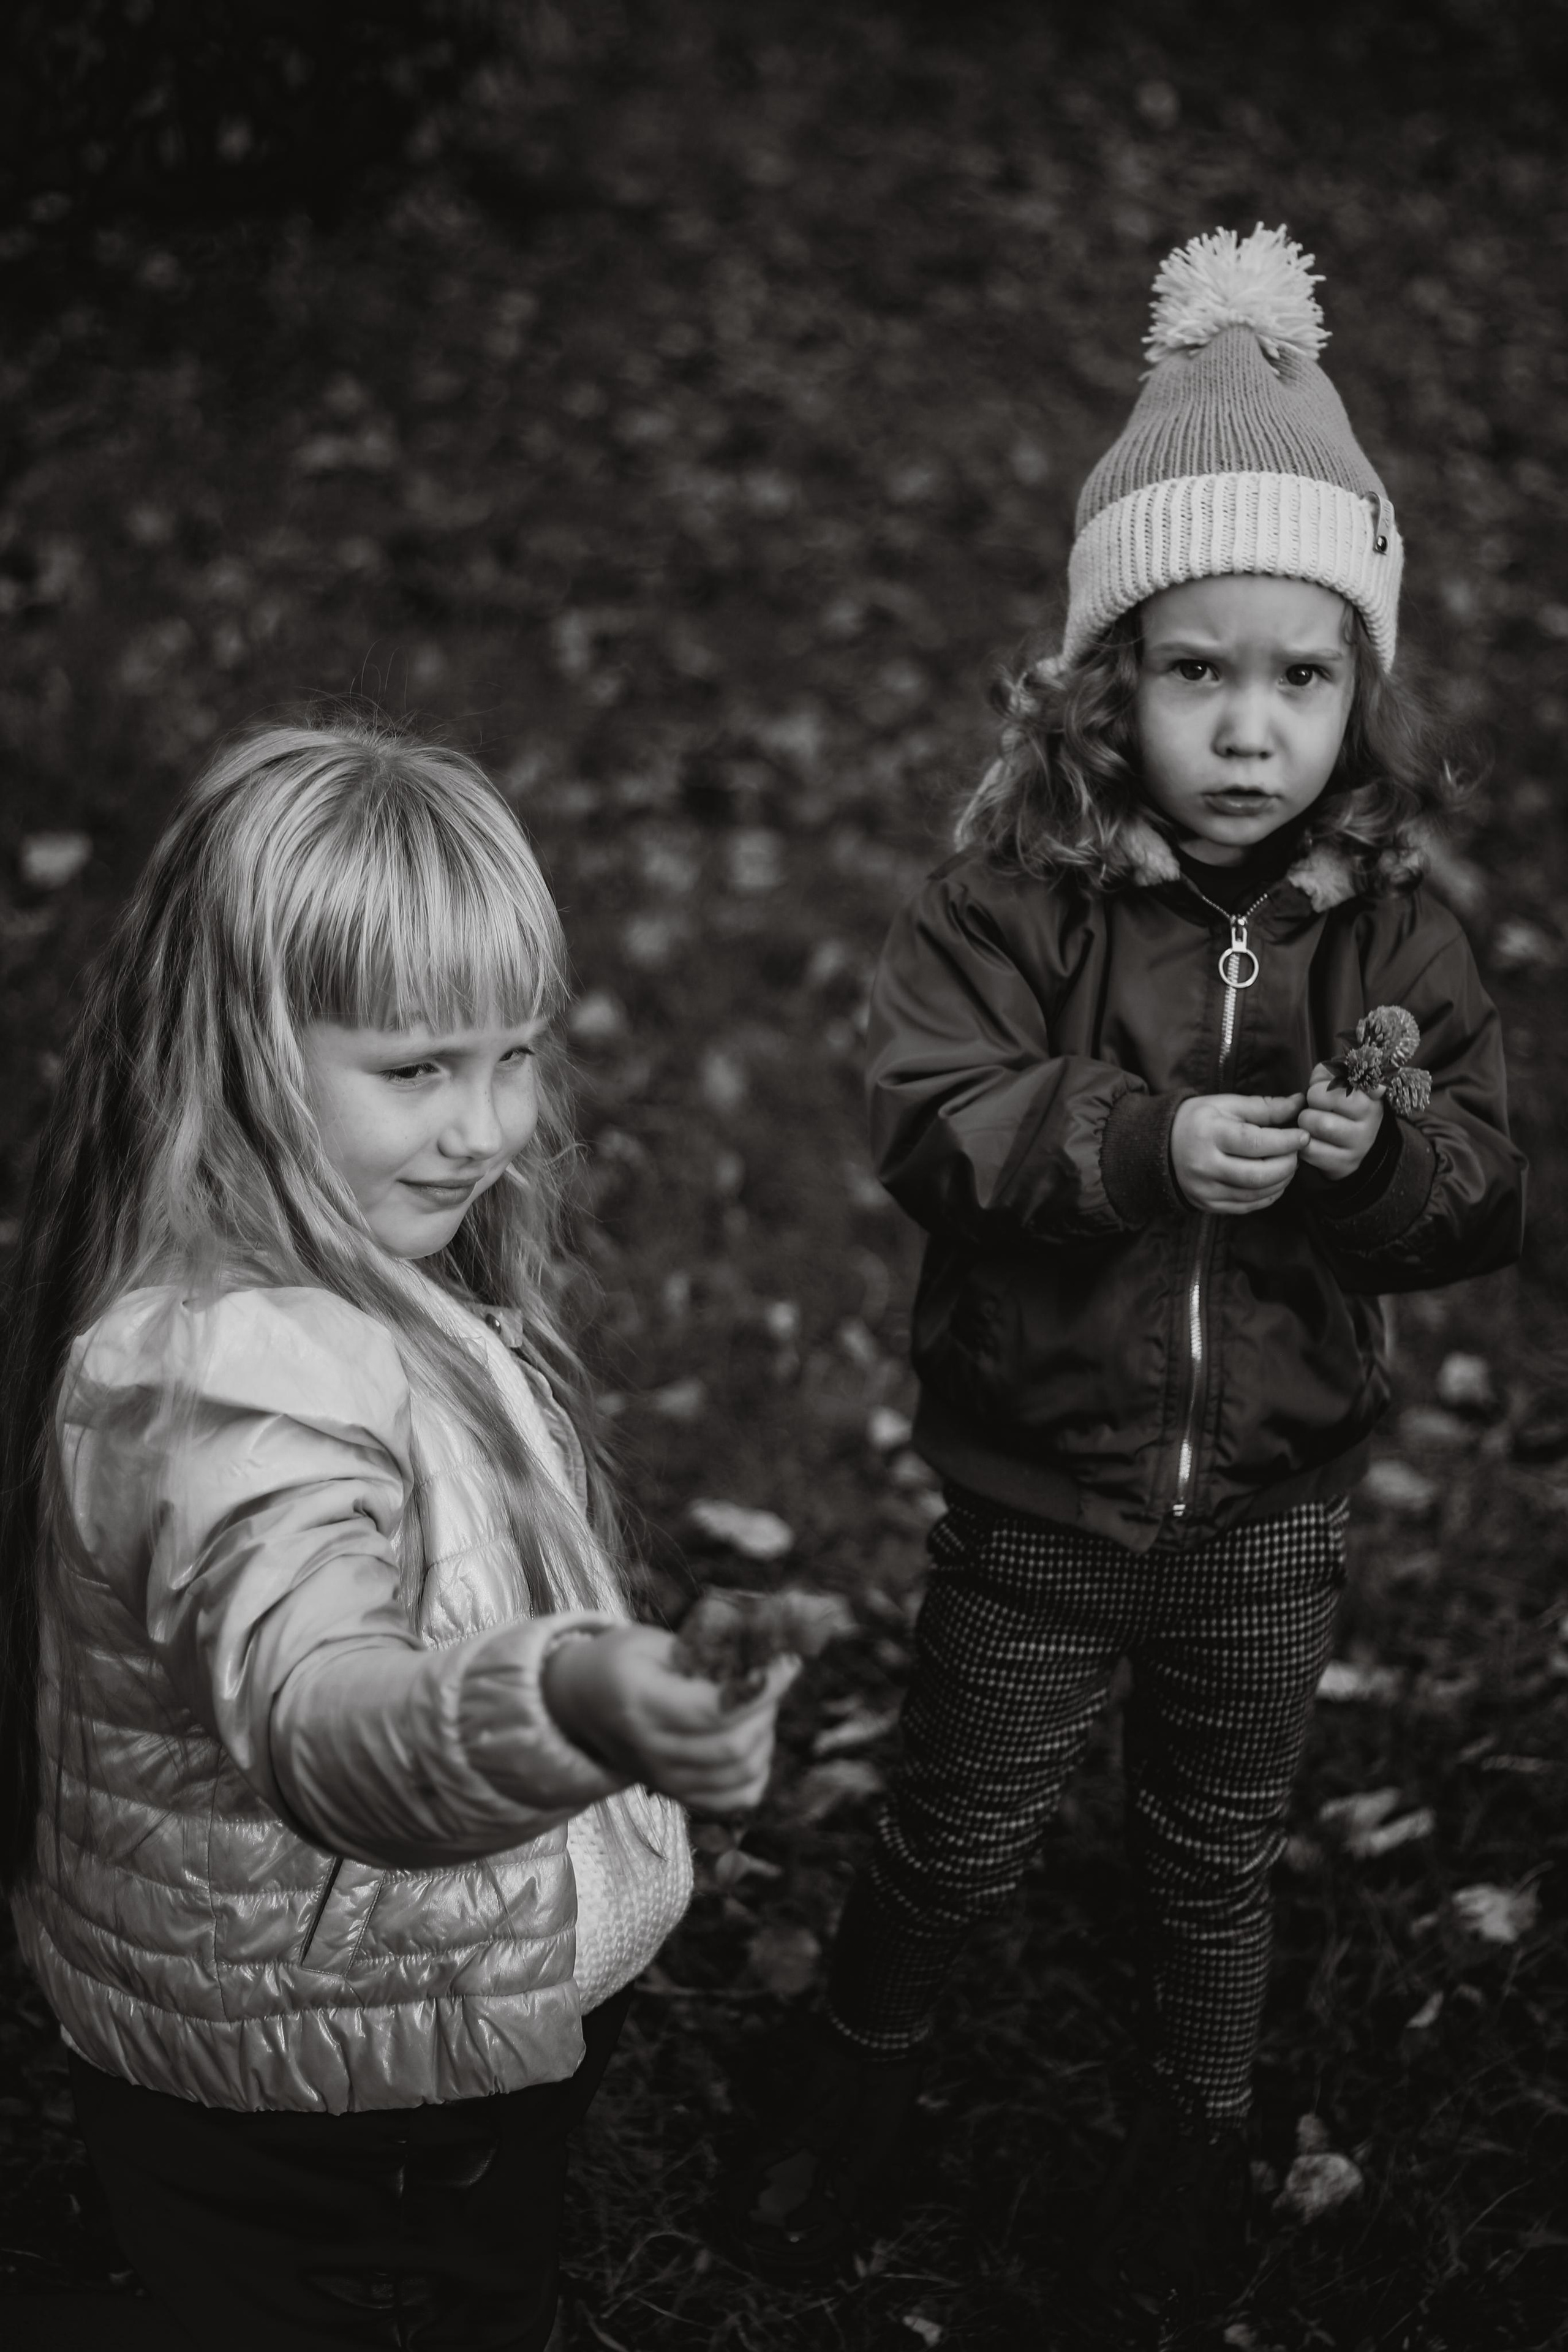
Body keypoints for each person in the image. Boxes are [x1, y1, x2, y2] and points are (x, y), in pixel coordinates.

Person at [722, 227, 1526, 2318]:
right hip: (1041, 1494)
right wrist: (1140, 1135)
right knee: (959, 1829)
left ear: (1363, 693)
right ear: (1110, 678)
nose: (1249, 729)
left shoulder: (1390, 941)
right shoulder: (1022, 900)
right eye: (1197, 673)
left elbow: (1480, 1189)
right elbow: (930, 1108)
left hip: (1270, 1504)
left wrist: (1372, 1167)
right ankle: (856, 2085)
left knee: (1212, 1848)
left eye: (1303, 675)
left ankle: (1182, 2143)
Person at [0, 718, 797, 2352]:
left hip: (375, 2042)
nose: (492, 1126)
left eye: (513, 1055)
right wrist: (565, 1702)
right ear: (240, 1053)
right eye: (418, 1070)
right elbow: (322, 1716)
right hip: (331, 2107)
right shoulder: (229, 1378)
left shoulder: (347, 1279)